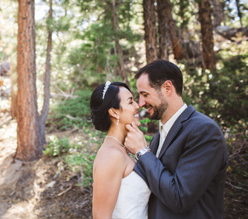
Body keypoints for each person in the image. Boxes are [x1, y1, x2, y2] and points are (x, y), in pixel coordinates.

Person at [122, 59, 227, 218]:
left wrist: (142, 151)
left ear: (167, 88)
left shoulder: (204, 130)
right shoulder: (158, 138)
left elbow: (179, 197)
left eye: (145, 94)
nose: (141, 103)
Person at [88, 81, 149, 218]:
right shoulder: (111, 155)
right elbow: (100, 216)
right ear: (114, 112)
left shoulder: (124, 149)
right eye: (130, 102)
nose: (137, 106)